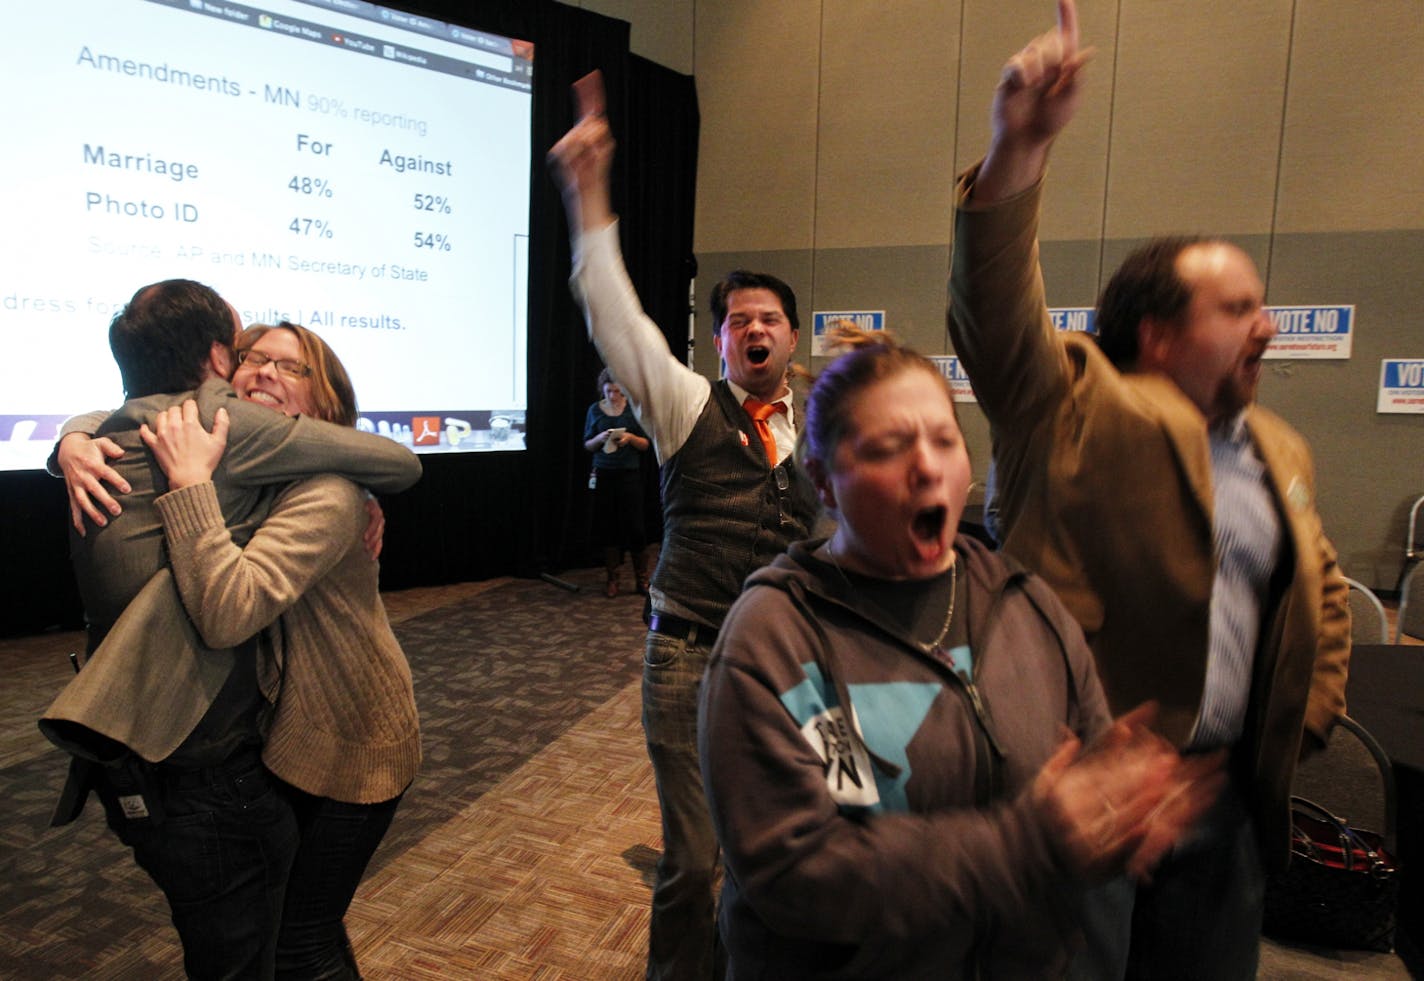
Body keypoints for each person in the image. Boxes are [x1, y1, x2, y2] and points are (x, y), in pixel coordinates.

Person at [946, 2, 1351, 976]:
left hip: (1221, 817)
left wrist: (1296, 724)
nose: (1266, 327)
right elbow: (995, 314)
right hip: (1074, 801)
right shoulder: (1072, 404)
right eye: (1237, 308)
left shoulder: (1280, 450)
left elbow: (1321, 594)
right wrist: (1018, 146)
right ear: (1157, 334)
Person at [699, 330, 1223, 979]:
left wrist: (1126, 817)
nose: (926, 465)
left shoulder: (1028, 608)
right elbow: (795, 873)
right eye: (890, 445)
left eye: (943, 440)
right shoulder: (773, 637)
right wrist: (1027, 841)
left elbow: (1088, 788)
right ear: (823, 481)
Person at [41, 280, 421, 980]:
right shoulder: (237, 459)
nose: (264, 372)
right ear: (220, 363)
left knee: (298, 942)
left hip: (350, 737)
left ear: (324, 407)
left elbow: (227, 612)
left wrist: (188, 489)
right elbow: (136, 409)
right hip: (286, 736)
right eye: (253, 357)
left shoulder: (323, 487)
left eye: (291, 366)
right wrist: (72, 440)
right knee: (300, 930)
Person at [549, 72, 822, 980]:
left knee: (820, 836)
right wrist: (589, 196)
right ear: (716, 342)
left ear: (793, 337)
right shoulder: (681, 401)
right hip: (690, 655)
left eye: (770, 318)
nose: (754, 328)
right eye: (738, 318)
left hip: (802, 660)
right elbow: (613, 314)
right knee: (695, 860)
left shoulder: (824, 422)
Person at [583, 366, 654, 598]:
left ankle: (642, 579)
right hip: (604, 473)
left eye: (617, 391)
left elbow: (646, 444)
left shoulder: (633, 411)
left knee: (635, 527)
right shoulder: (595, 410)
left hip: (628, 474)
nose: (612, 395)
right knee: (608, 528)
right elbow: (587, 445)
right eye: (608, 391)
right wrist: (599, 438)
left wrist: (631, 438)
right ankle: (612, 578)